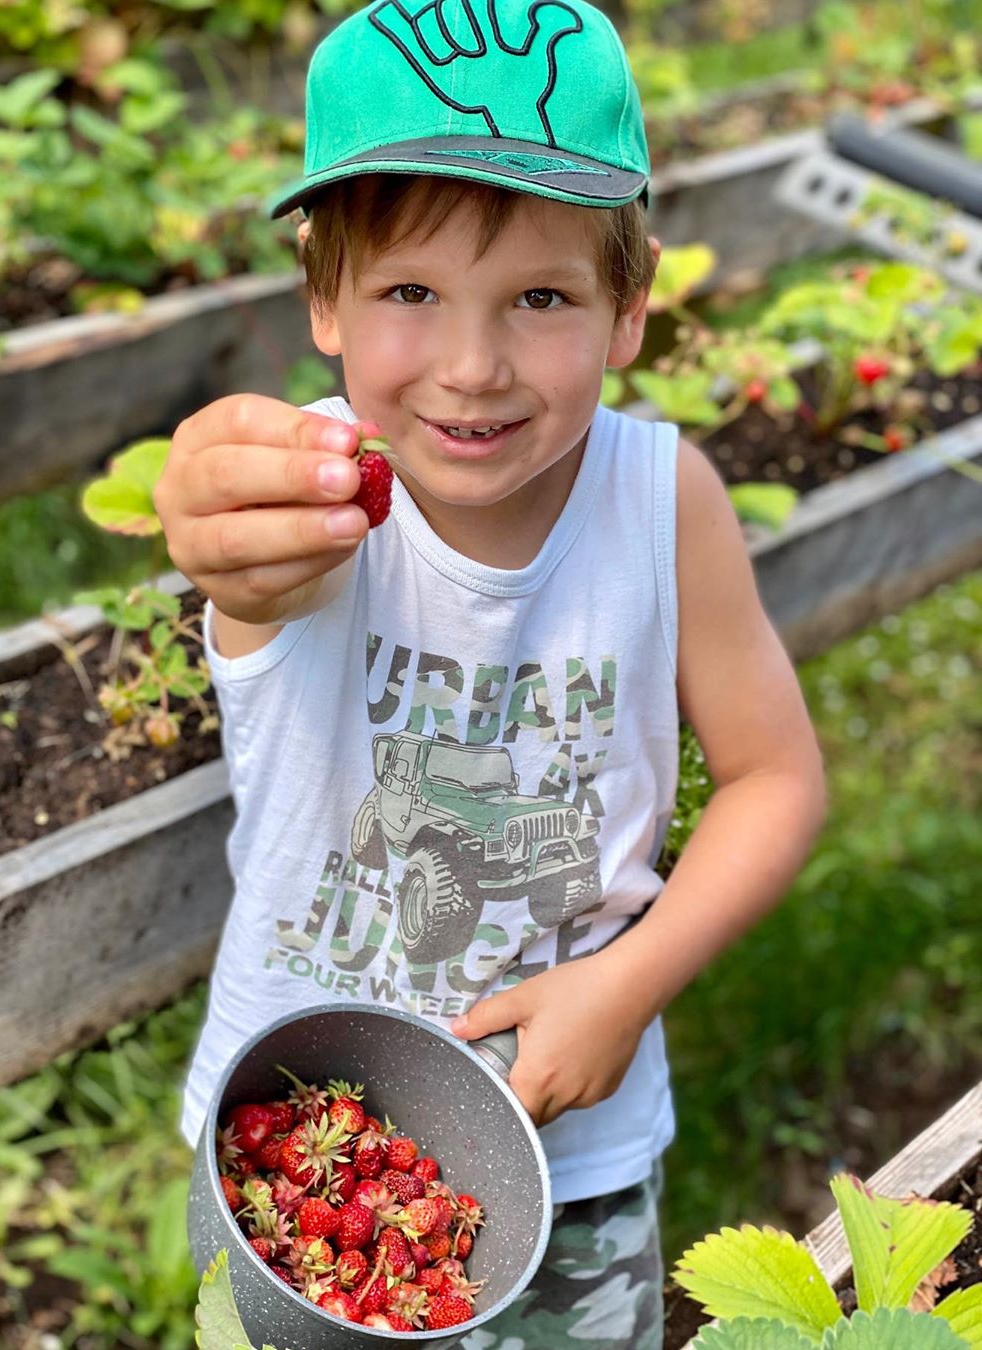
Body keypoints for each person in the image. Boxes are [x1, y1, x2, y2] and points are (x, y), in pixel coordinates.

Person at [156, 0, 826, 1342]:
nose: (472, 366)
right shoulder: (316, 495)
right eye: (411, 291)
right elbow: (233, 536)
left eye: (540, 296)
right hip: (287, 1134)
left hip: (567, 1150)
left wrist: (624, 985)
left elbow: (777, 778)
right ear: (325, 302)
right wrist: (212, 511)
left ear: (629, 309)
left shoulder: (661, 501)